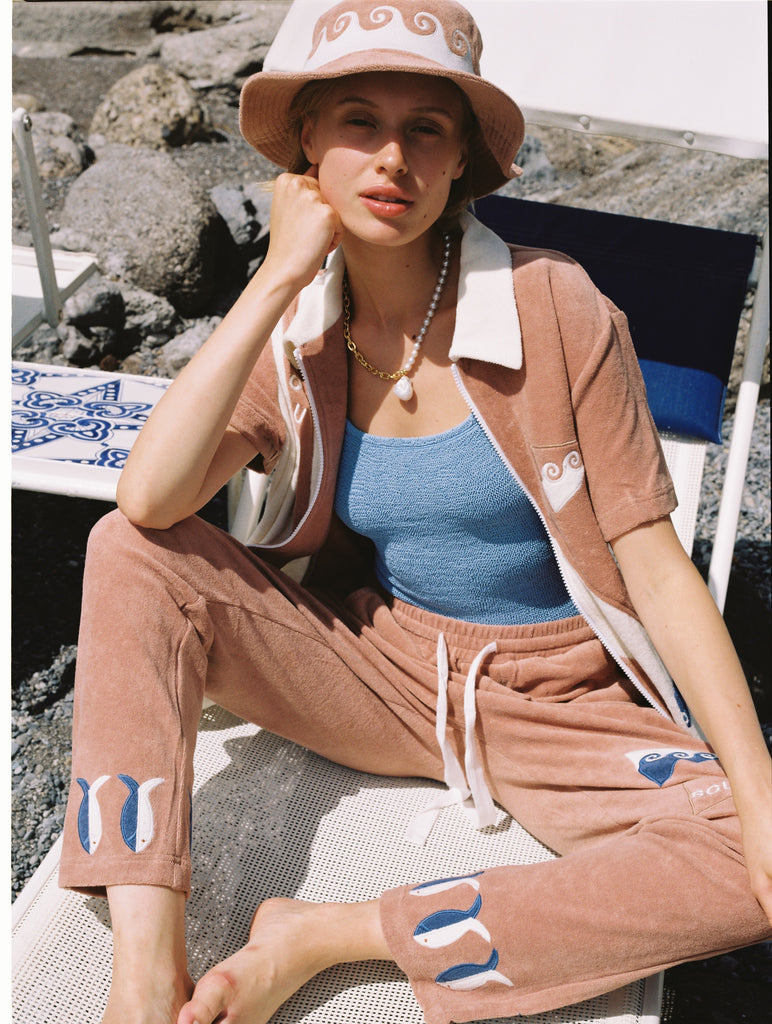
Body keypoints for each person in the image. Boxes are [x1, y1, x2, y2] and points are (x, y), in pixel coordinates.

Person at [58, 2, 772, 1022]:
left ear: (460, 160)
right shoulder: (299, 325)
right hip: (384, 672)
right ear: (305, 144)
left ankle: (329, 933)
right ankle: (142, 975)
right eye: (356, 119)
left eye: (424, 128)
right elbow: (149, 499)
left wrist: (757, 797)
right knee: (126, 550)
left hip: (559, 697)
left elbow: (654, 566)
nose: (391, 156)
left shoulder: (558, 308)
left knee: (735, 862)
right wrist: (270, 283)